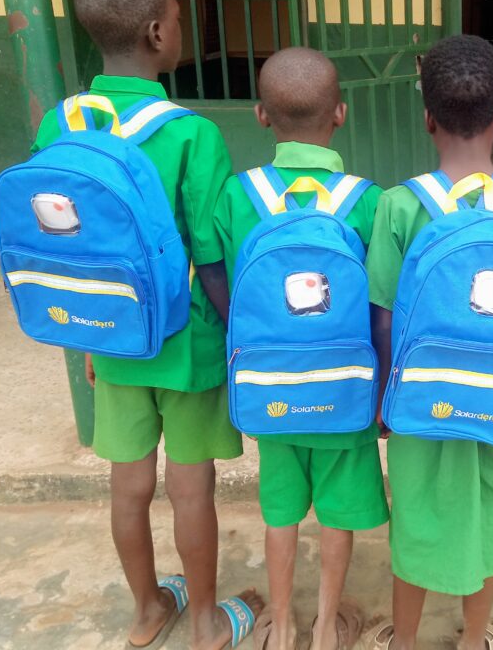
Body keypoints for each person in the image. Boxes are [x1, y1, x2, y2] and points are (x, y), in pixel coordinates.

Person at [31, 0, 263, 650]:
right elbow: (212, 250)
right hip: (183, 338)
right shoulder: (191, 133)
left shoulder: (57, 124)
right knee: (190, 488)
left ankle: (145, 611)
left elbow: (61, 247)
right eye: (182, 19)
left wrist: (82, 339)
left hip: (106, 330)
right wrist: (235, 333)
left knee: (127, 483)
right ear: (159, 33)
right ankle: (205, 624)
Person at [364, 34, 493, 650]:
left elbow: (381, 314)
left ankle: (403, 640)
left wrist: (386, 395)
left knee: (417, 515)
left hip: (419, 400)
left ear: (427, 119)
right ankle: (475, 637)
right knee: (485, 516)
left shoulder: (399, 205)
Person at [214, 47, 389, 650]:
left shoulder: (239, 196)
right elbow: (381, 301)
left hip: (272, 386)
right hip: (344, 387)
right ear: (340, 113)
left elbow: (219, 278)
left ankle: (282, 623)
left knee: (280, 511)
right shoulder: (367, 201)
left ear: (262, 115)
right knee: (338, 516)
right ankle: (324, 626)